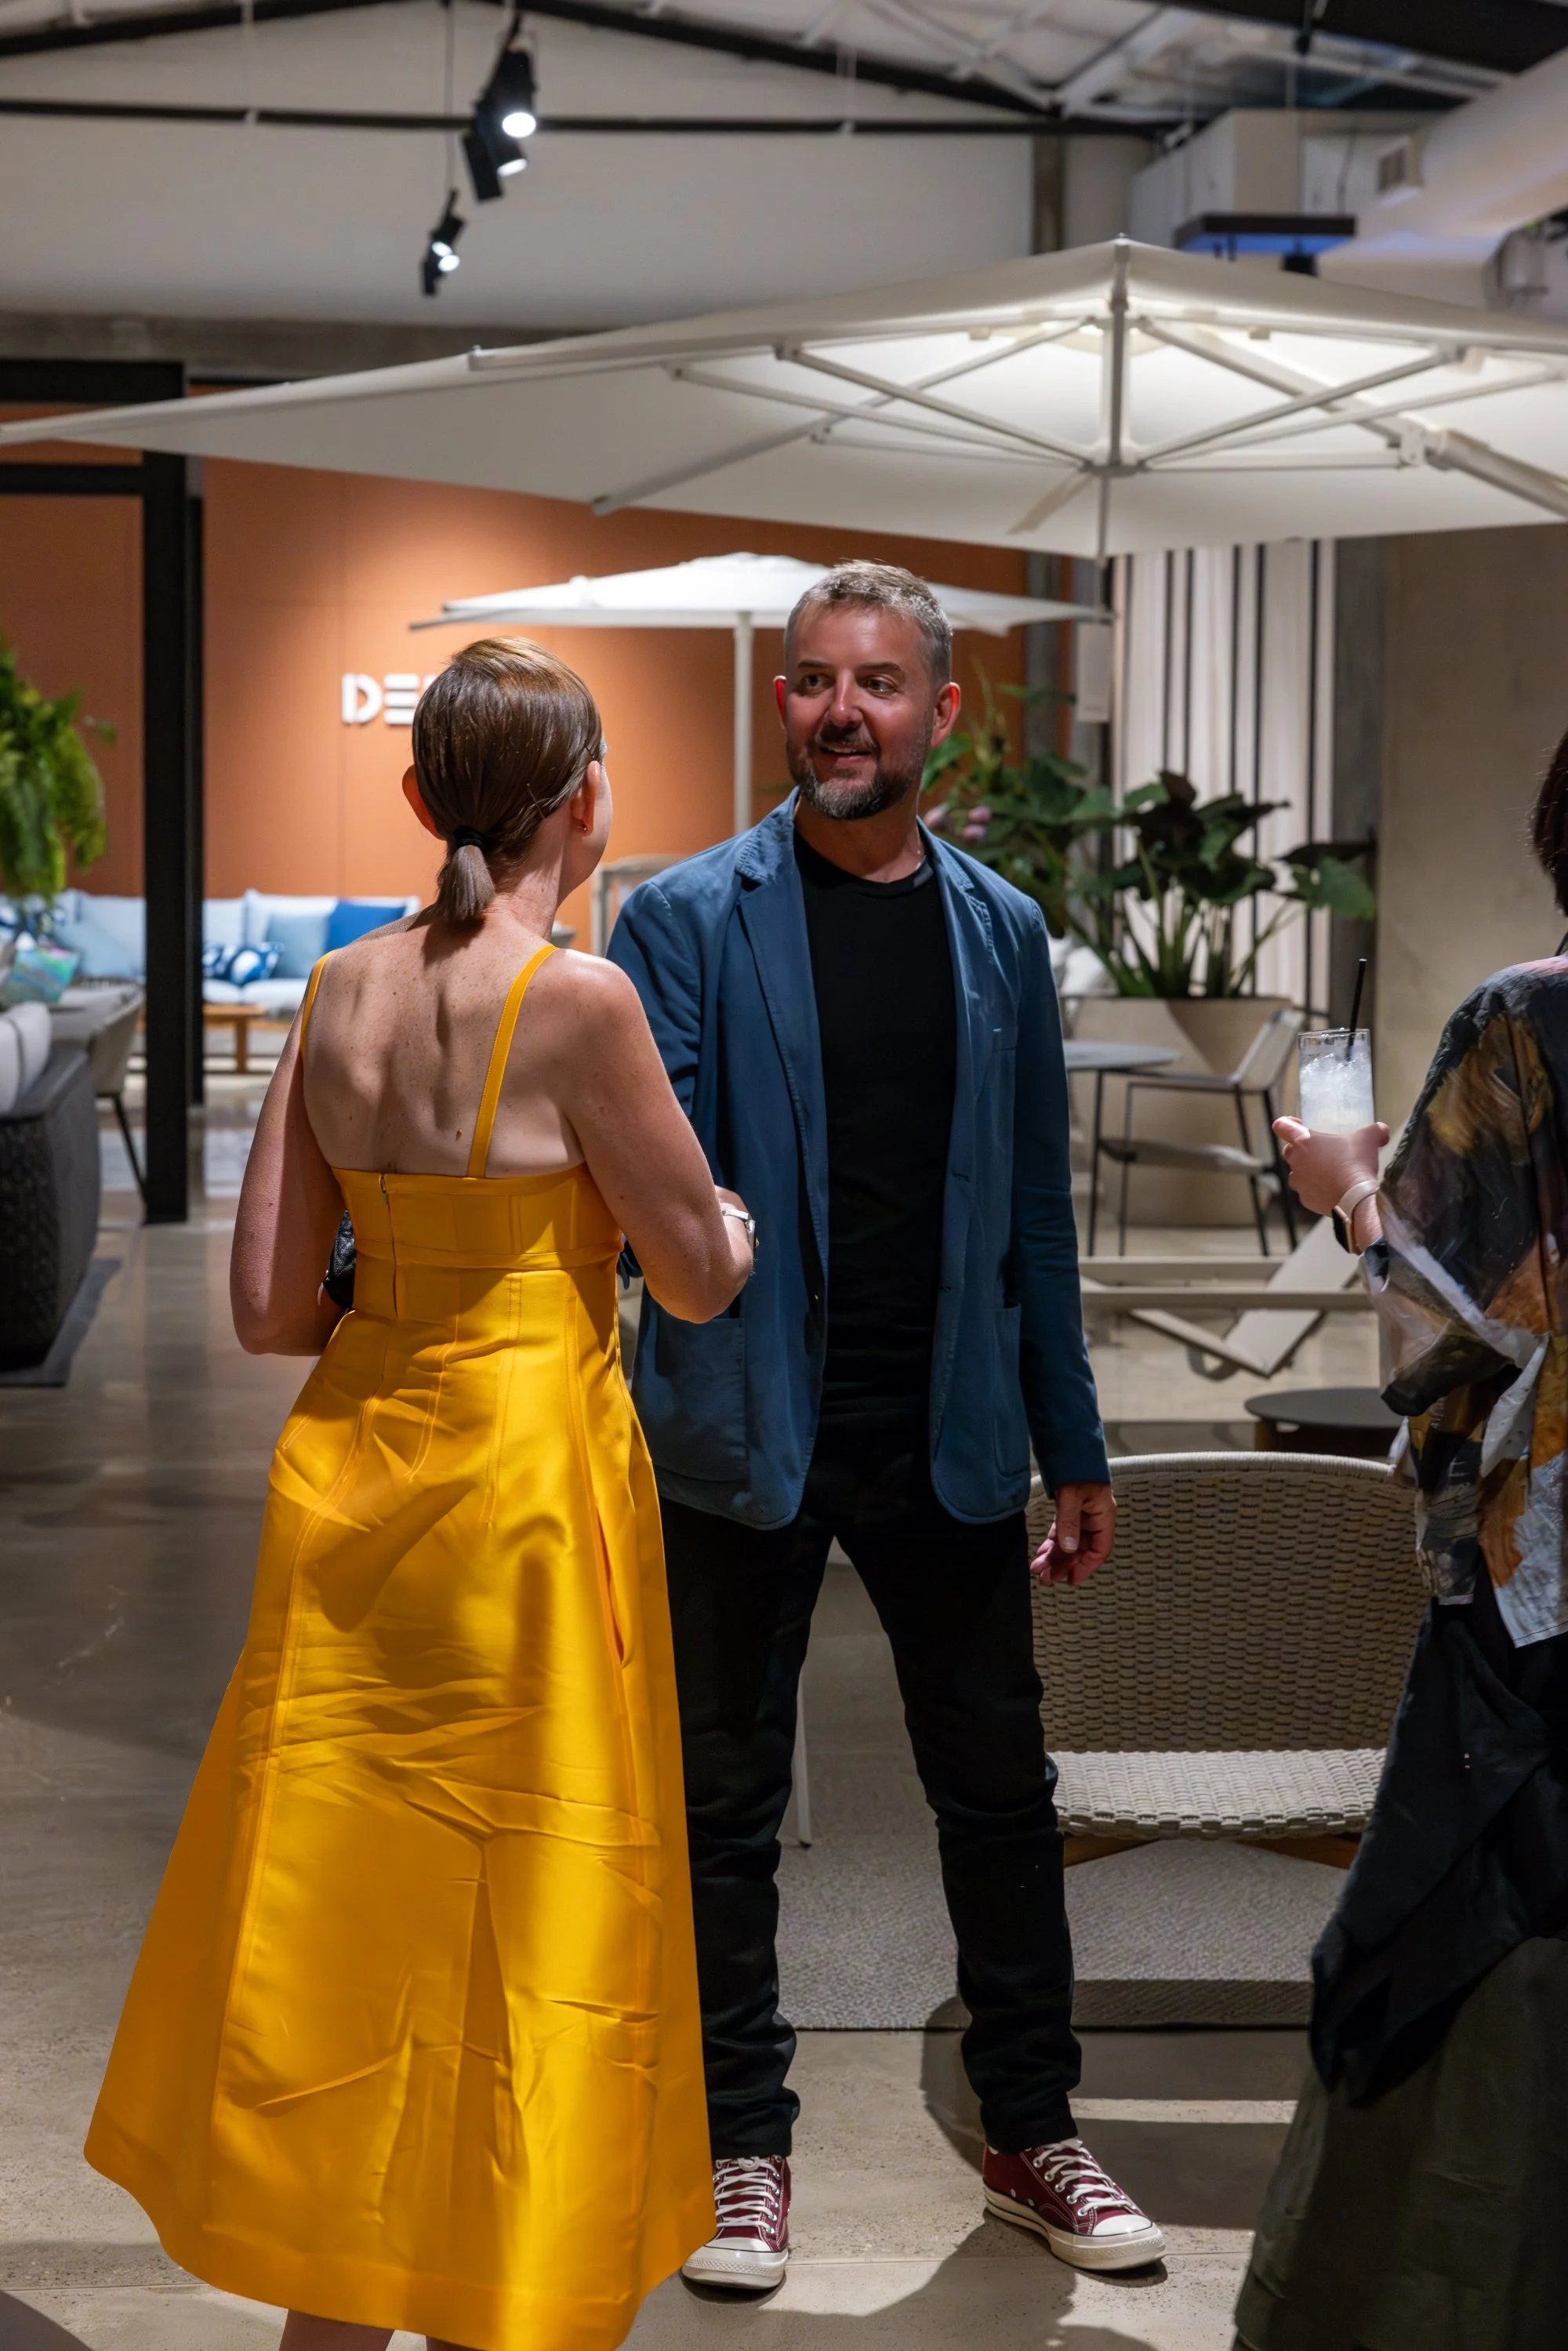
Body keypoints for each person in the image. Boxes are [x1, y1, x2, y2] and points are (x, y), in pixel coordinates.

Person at [85, 639, 757, 2351]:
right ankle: (496, 2284)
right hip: (525, 1500)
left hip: (355, 1480)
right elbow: (693, 1278)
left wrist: (407, 1303)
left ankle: (337, 2304)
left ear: (415, 797)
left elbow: (266, 1307)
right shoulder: (581, 1002)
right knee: (525, 1914)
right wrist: (729, 1228)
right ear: (588, 798)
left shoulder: (338, 993)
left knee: (345, 1926)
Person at [607, 559, 1164, 2288]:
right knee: (722, 1804)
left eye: (876, 681)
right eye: (812, 680)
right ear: (783, 701)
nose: (840, 710)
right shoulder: (683, 919)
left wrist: (1073, 1440)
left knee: (998, 1792)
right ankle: (740, 2148)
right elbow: (651, 1191)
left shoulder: (999, 930)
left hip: (950, 1429)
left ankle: (1030, 2128)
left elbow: (1035, 1215)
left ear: (940, 709)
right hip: (739, 1431)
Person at [1234, 735, 1568, 2349]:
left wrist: (1350, 1191)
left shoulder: (1527, 1022)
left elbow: (1446, 1324)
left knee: (1478, 1932)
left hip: (1549, 1594)